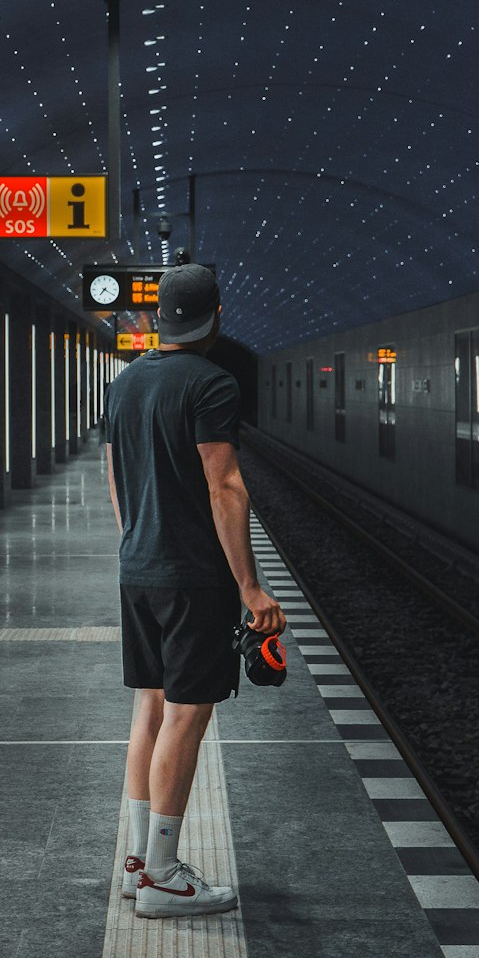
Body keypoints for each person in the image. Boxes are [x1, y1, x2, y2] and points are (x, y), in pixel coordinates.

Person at [103, 261, 285, 919]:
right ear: (214, 319)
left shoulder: (125, 384)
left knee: (149, 711)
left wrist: (136, 543)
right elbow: (225, 486)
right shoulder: (211, 383)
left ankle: (136, 864)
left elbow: (116, 475)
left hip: (139, 571)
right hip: (192, 579)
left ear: (157, 318)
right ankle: (162, 875)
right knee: (187, 715)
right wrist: (252, 588)